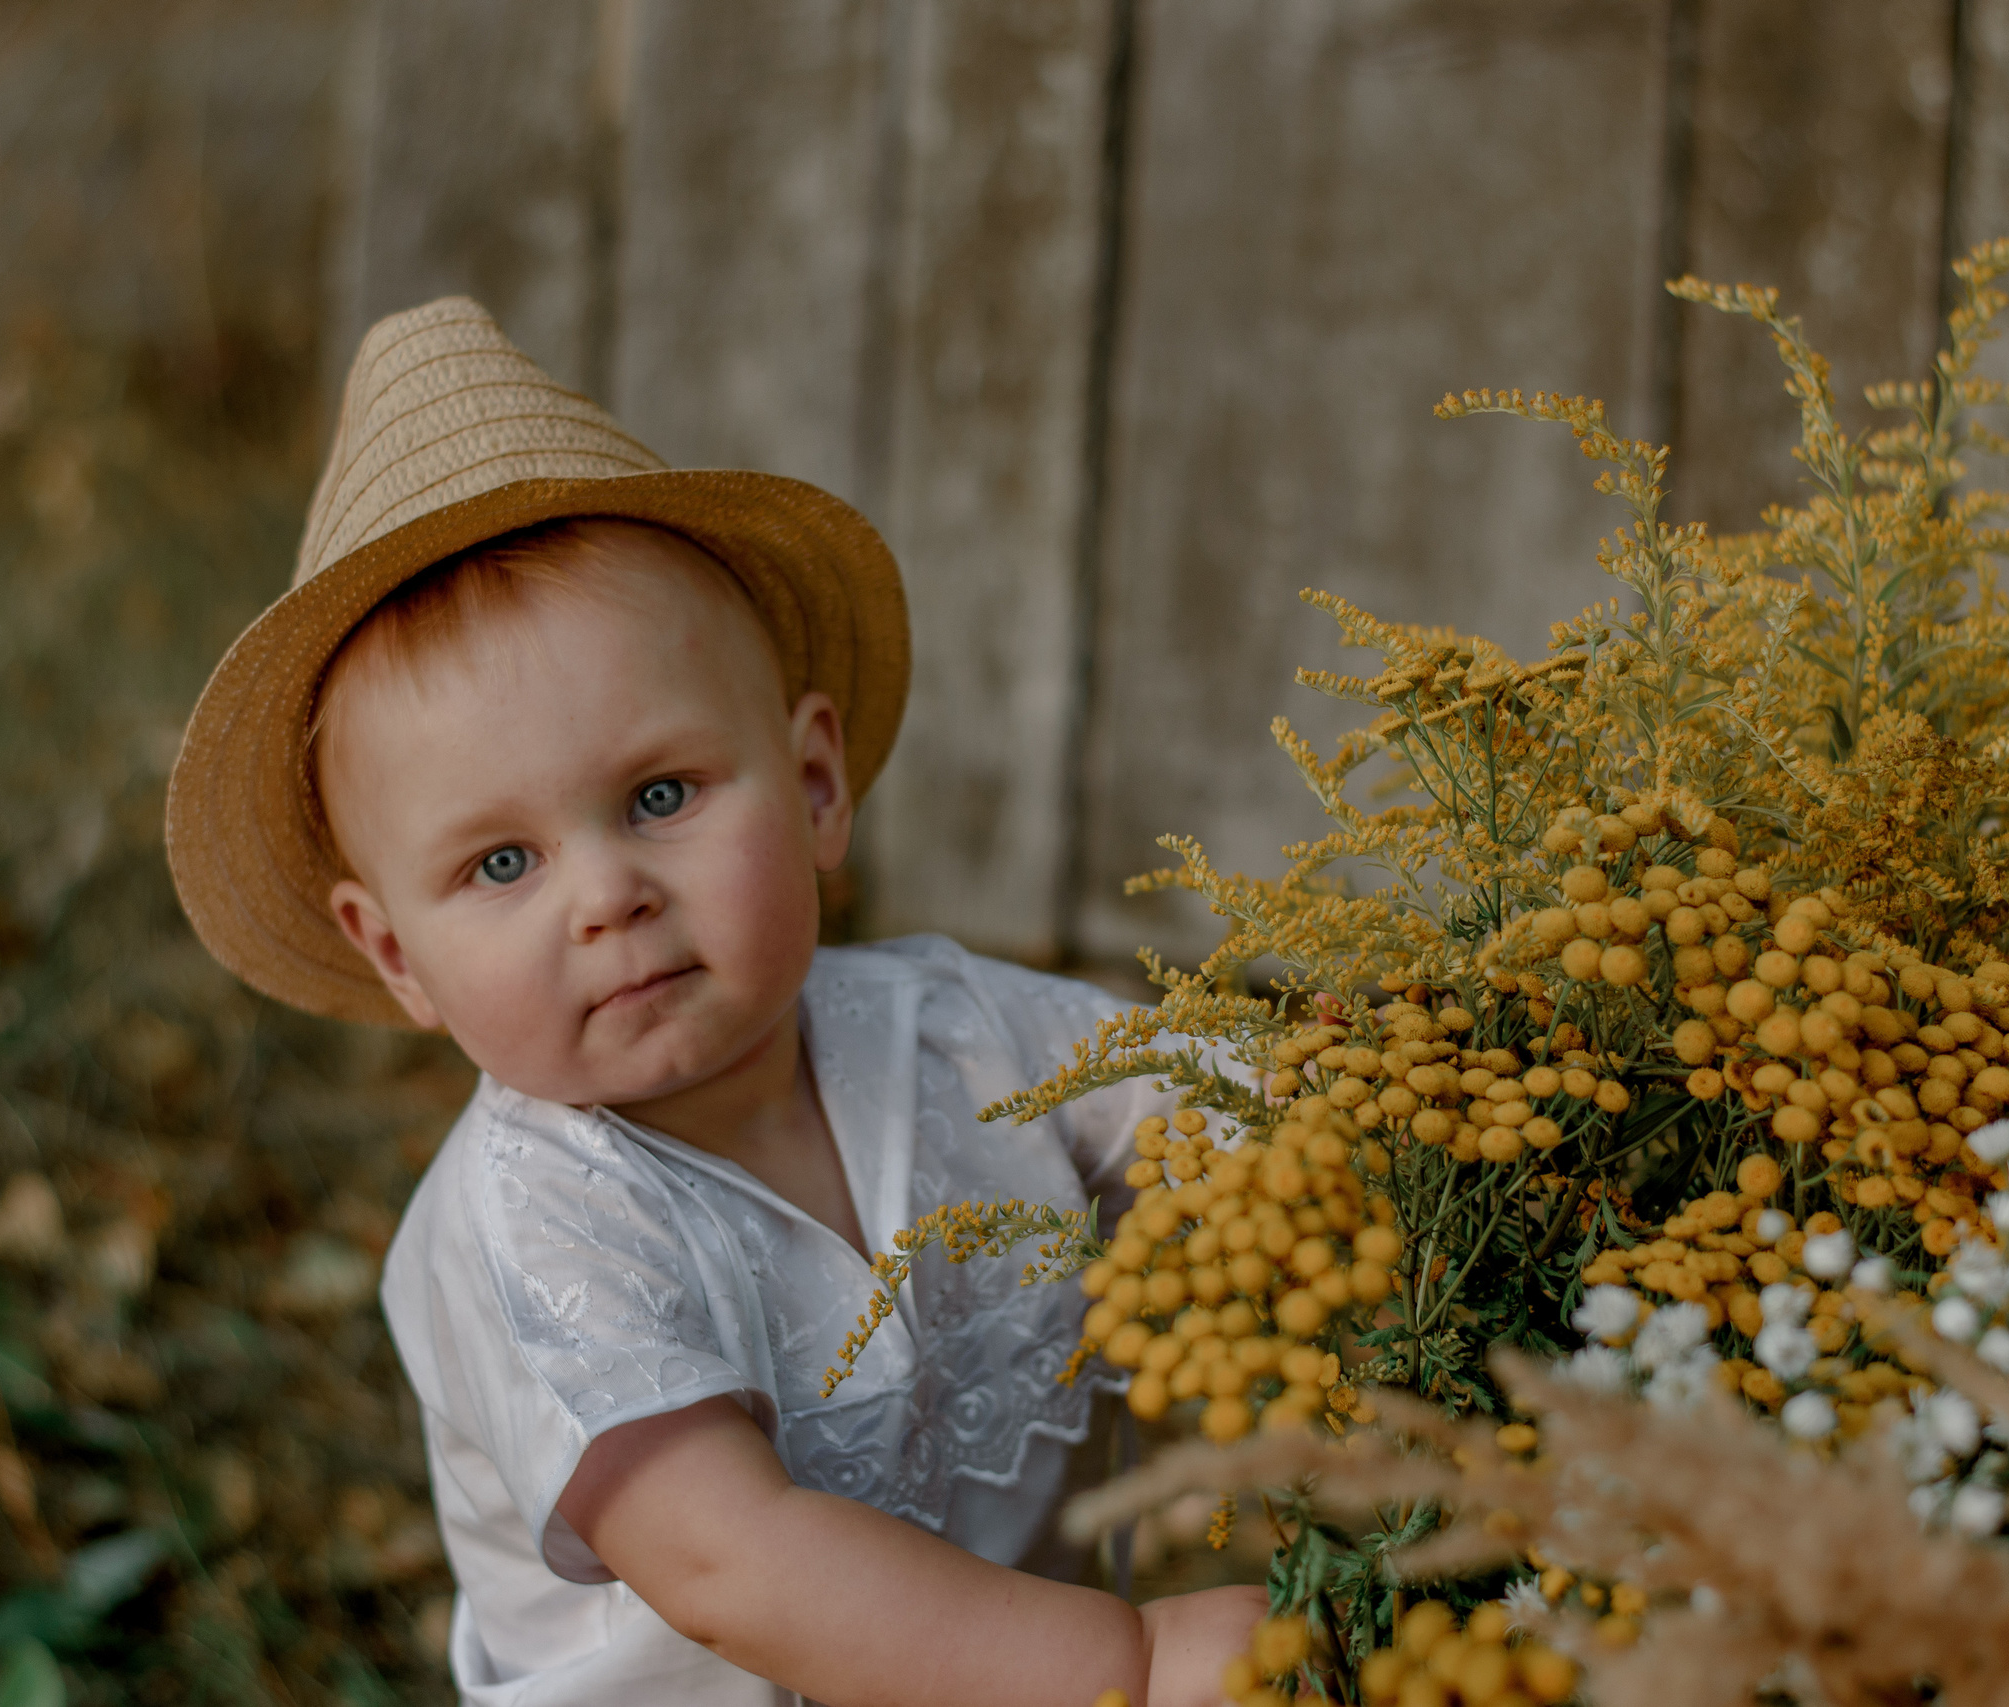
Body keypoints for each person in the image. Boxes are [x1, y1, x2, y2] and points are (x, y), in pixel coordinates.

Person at [165, 297, 1264, 1706]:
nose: (606, 895)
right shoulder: (532, 1230)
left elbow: (1192, 1094)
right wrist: (1129, 1663)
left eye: (659, 796)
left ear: (814, 786)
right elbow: (732, 1564)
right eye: (502, 862)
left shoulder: (945, 1029)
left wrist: (1356, 1111)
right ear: (395, 956)